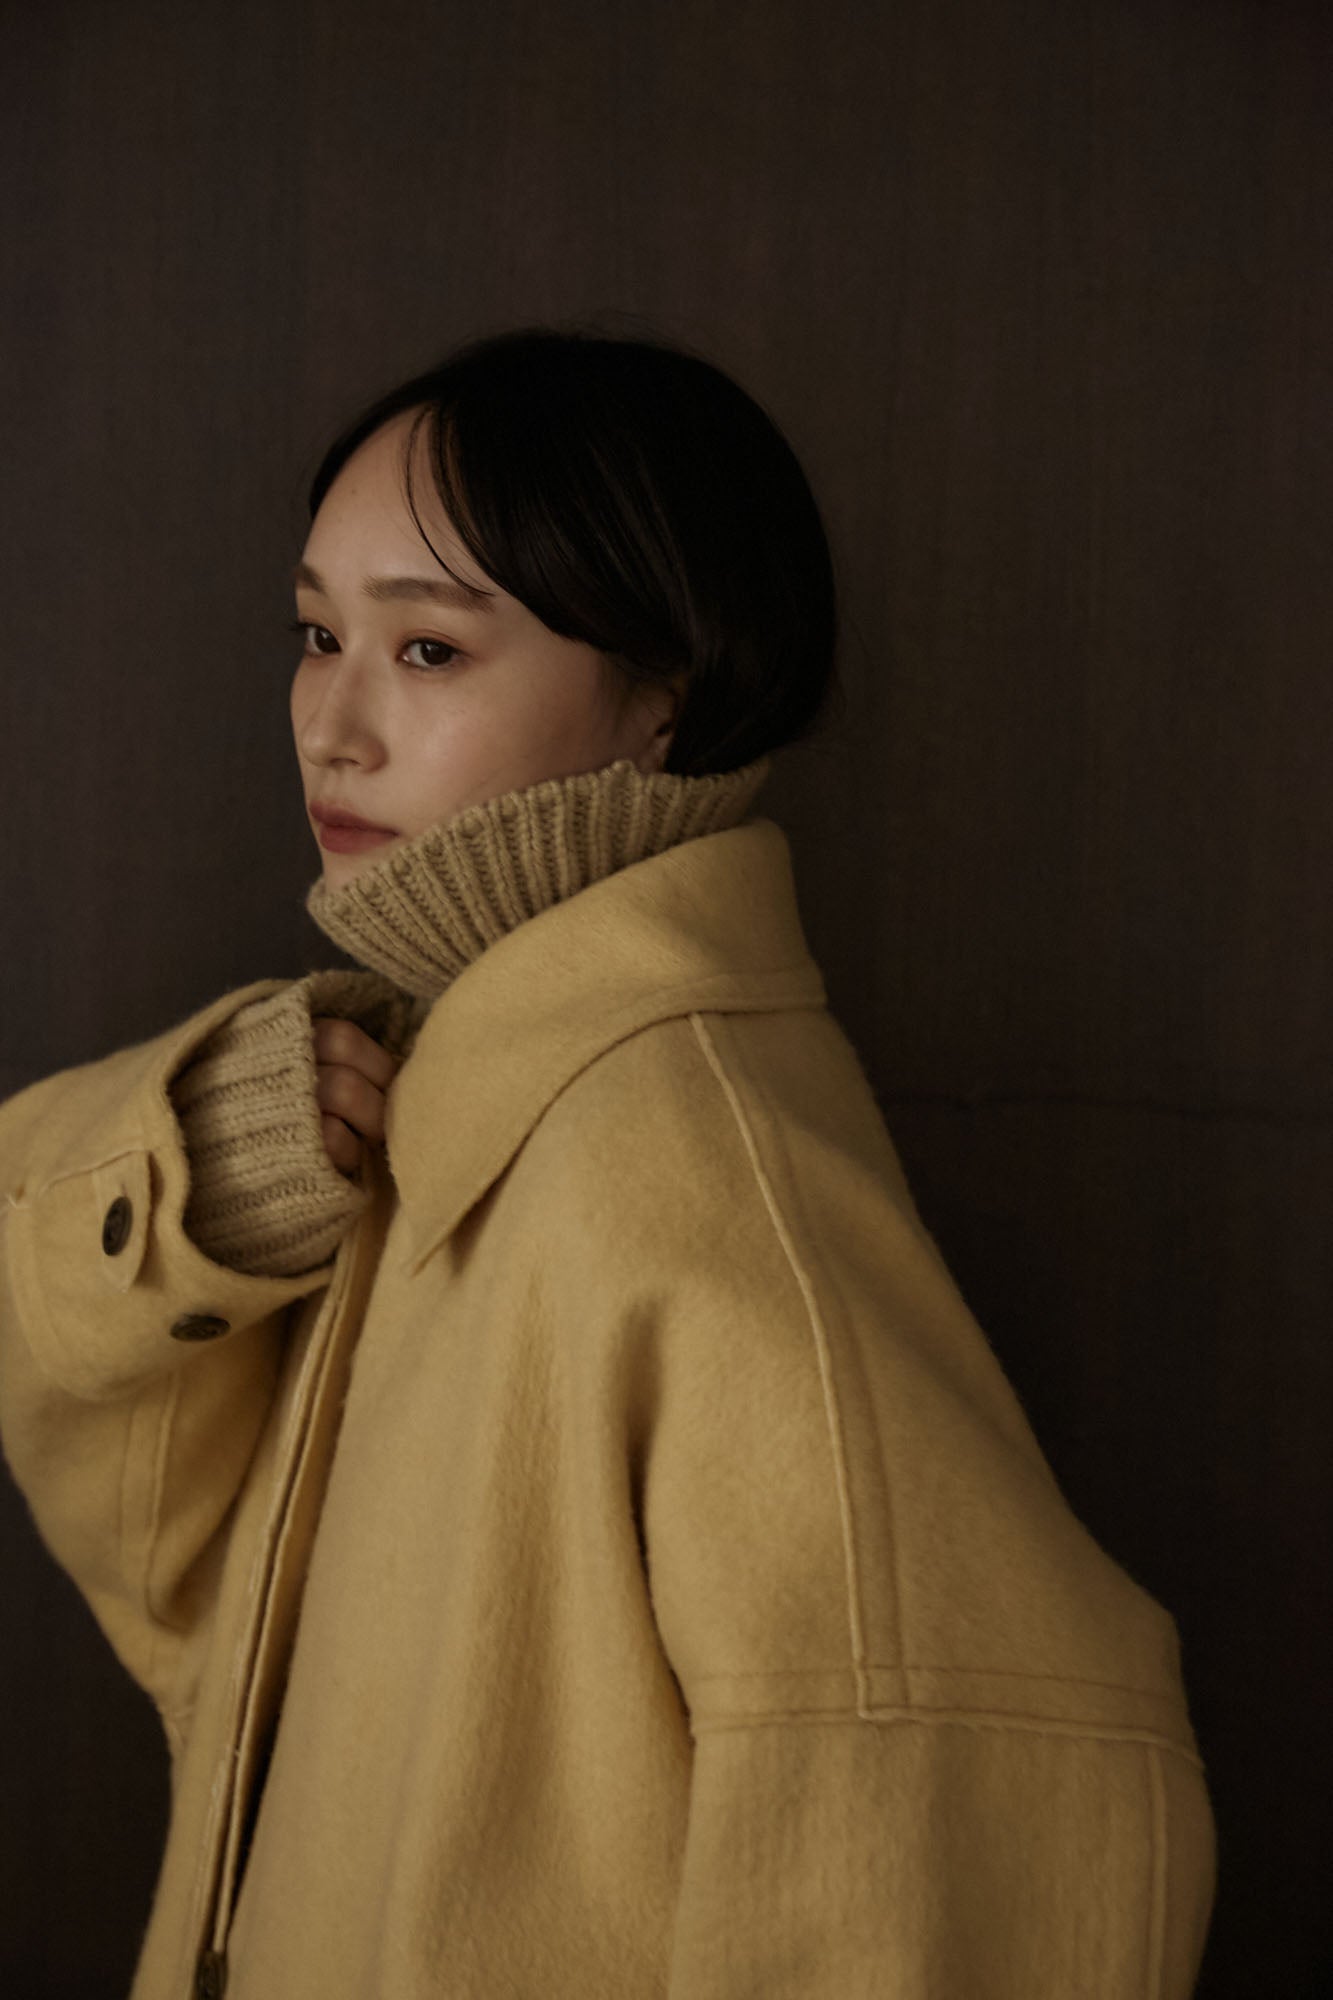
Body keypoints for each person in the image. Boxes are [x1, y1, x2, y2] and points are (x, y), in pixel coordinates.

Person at [0, 324, 1216, 2000]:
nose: (331, 725)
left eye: (429, 650)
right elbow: (202, 1605)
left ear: (666, 695)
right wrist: (198, 1176)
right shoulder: (436, 1099)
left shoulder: (689, 1179)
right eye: (316, 634)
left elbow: (966, 1827)